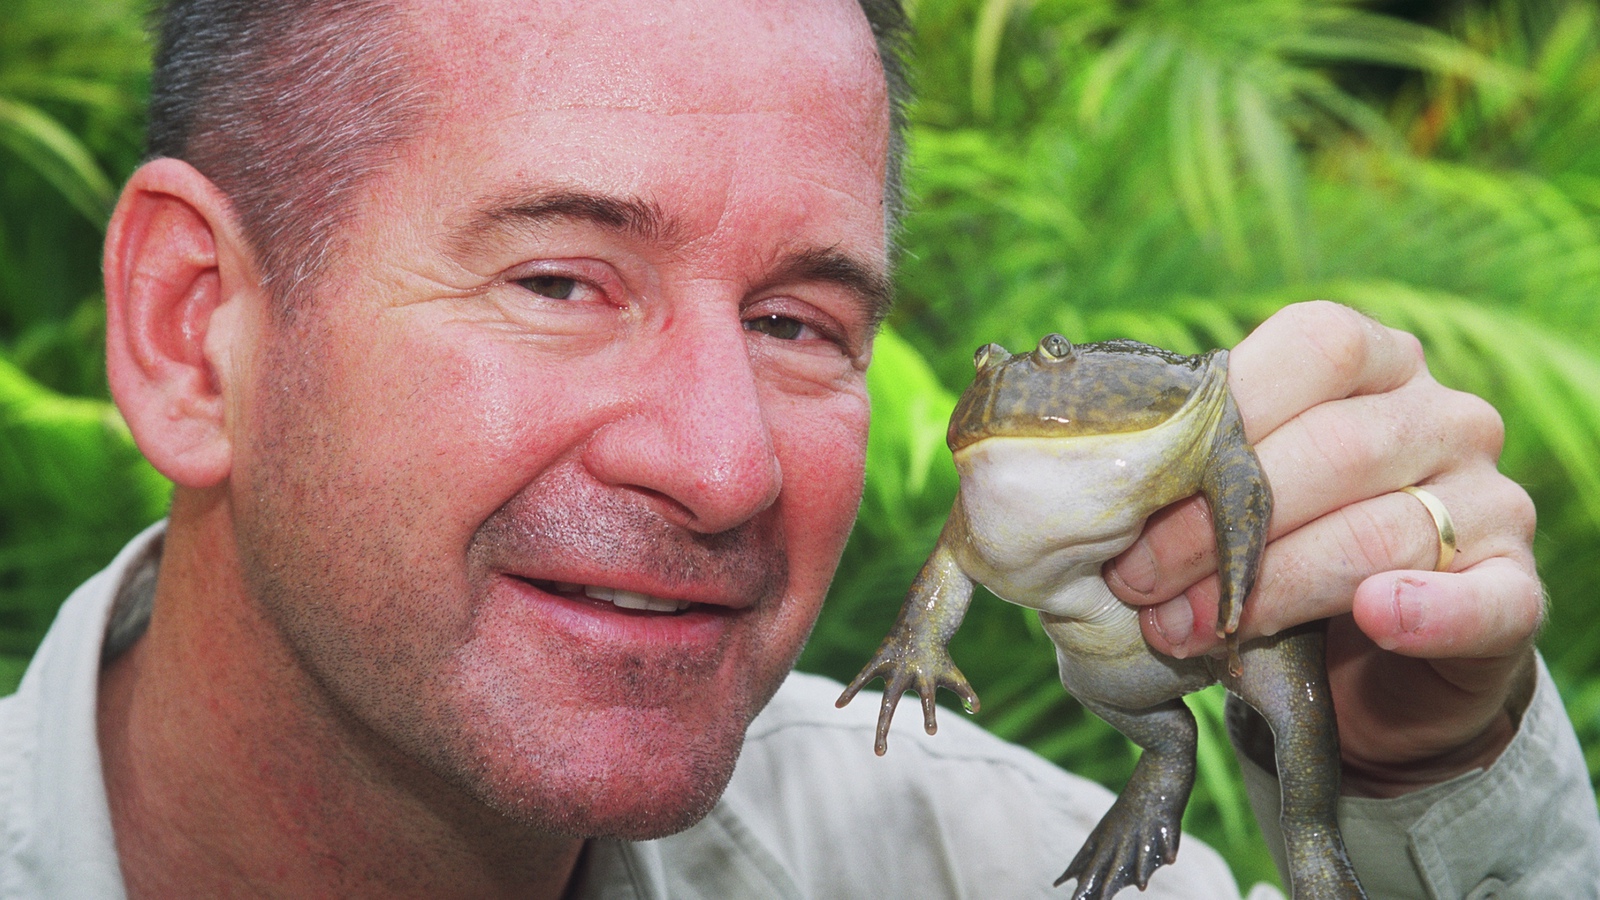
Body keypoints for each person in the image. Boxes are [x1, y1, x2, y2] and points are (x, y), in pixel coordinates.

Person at [2, 0, 1595, 896]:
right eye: (560, 281)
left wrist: (1426, 764)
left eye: (797, 323)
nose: (726, 468)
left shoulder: (967, 863)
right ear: (188, 329)